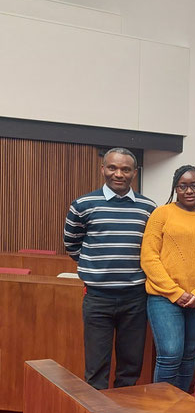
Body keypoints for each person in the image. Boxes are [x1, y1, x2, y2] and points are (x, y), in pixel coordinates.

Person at [63, 147, 157, 390]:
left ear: (134, 173)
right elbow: (71, 244)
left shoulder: (148, 208)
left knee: (130, 366)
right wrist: (96, 267)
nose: (119, 174)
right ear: (102, 168)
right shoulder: (83, 204)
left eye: (125, 169)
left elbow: (153, 249)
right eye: (113, 167)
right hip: (98, 298)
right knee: (96, 368)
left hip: (135, 298)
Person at [140, 165, 195, 392]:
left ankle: (179, 407)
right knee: (170, 354)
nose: (189, 191)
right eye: (183, 186)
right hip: (164, 298)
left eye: (194, 185)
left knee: (189, 356)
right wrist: (176, 293)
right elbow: (149, 258)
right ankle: (161, 410)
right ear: (175, 188)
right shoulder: (161, 214)